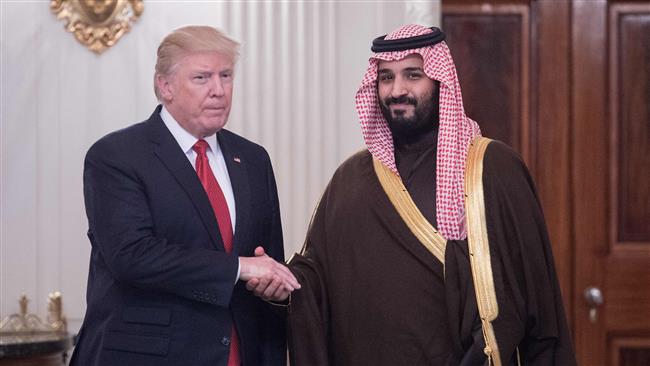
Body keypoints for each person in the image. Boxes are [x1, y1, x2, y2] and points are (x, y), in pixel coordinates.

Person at [249, 24, 576, 365]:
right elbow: (316, 279)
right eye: (387, 77)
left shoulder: (492, 168)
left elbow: (529, 293)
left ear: (439, 81)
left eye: (413, 75)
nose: (397, 90)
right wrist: (281, 284)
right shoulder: (351, 179)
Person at [70, 25, 299, 366]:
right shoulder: (117, 156)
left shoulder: (252, 159)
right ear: (165, 86)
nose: (219, 91)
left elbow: (267, 258)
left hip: (241, 352)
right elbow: (132, 256)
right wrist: (239, 268)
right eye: (202, 78)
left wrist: (274, 288)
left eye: (226, 75)